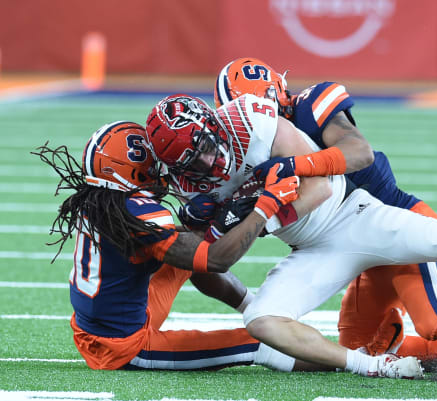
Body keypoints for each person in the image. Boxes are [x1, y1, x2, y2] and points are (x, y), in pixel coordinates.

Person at [146, 93, 437, 382]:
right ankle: (380, 368)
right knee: (265, 323)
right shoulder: (191, 184)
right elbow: (214, 260)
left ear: (218, 120)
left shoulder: (260, 121)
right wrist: (239, 222)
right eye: (192, 164)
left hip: (361, 216)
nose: (209, 167)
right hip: (312, 250)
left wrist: (265, 210)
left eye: (207, 151)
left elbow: (331, 175)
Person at [213, 57, 437, 372]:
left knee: (436, 321)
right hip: (350, 244)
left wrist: (294, 168)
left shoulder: (309, 109)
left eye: (249, 112)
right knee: (358, 347)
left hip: (395, 226)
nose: (247, 124)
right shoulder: (253, 144)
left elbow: (358, 155)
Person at [32, 120, 306, 372]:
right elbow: (217, 260)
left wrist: (205, 226)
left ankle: (254, 308)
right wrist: (265, 206)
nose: (158, 169)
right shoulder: (138, 214)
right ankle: (345, 360)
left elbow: (185, 246)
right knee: (262, 342)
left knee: (189, 249)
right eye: (149, 163)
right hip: (125, 347)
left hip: (97, 325)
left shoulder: (99, 201)